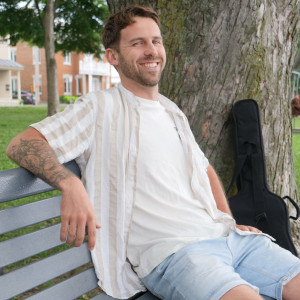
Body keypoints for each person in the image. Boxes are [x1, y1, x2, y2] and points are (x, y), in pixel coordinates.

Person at [6, 5, 300, 300]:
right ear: (113, 57)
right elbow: (22, 143)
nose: (151, 50)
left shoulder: (172, 111)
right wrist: (68, 183)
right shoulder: (99, 108)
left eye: (155, 41)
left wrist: (228, 220)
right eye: (137, 43)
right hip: (177, 254)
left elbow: (204, 169)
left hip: (231, 239)